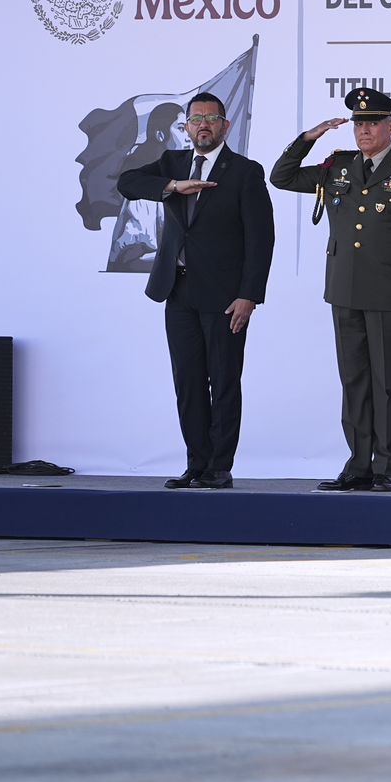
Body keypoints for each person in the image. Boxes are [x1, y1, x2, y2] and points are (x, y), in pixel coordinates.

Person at [270, 88, 391, 493]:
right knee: (354, 380)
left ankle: (384, 467)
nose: (364, 131)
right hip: (343, 288)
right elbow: (281, 176)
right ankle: (358, 464)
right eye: (359, 124)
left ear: (390, 127)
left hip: (389, 294)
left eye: (373, 123)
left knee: (384, 382)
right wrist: (309, 137)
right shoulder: (337, 167)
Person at [116, 91, 273, 490]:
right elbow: (127, 182)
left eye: (211, 118)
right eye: (196, 118)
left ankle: (219, 466)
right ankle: (196, 463)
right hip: (178, 290)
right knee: (187, 382)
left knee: (222, 381)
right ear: (186, 127)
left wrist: (249, 295)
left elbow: (261, 239)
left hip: (225, 297)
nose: (203, 124)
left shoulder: (244, 171)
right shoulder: (173, 163)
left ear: (225, 126)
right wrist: (172, 186)